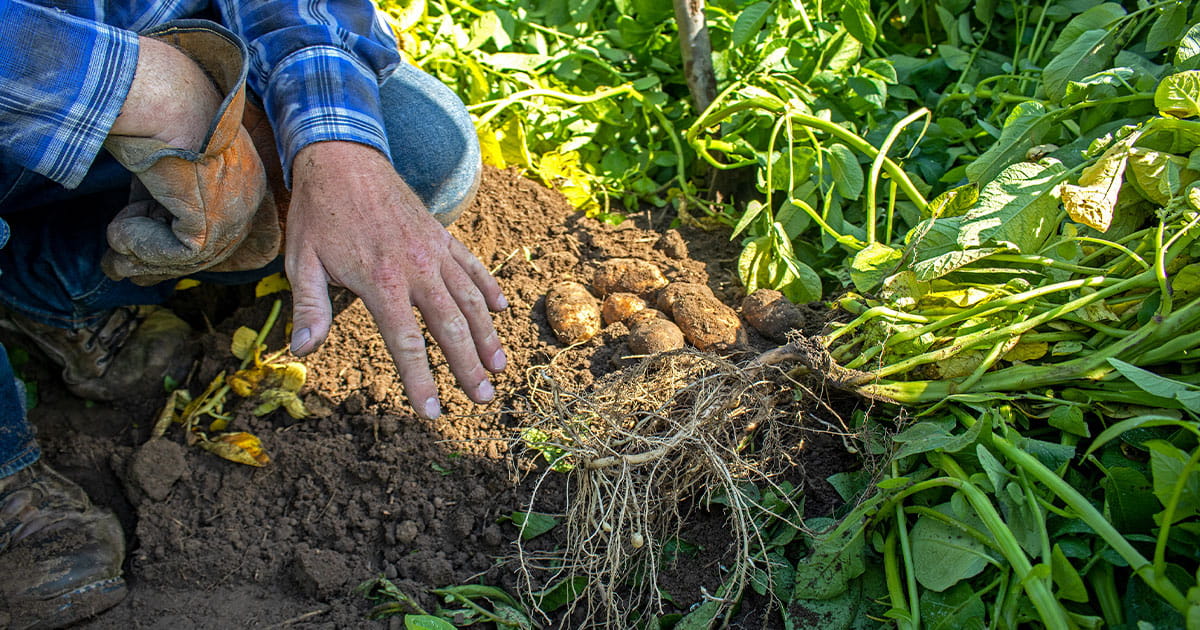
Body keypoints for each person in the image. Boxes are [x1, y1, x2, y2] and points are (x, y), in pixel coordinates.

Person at [0, 1, 509, 626]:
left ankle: (49, 287)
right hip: (52, 72)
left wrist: (334, 144)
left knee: (421, 151)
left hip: (96, 77)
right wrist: (139, 90)